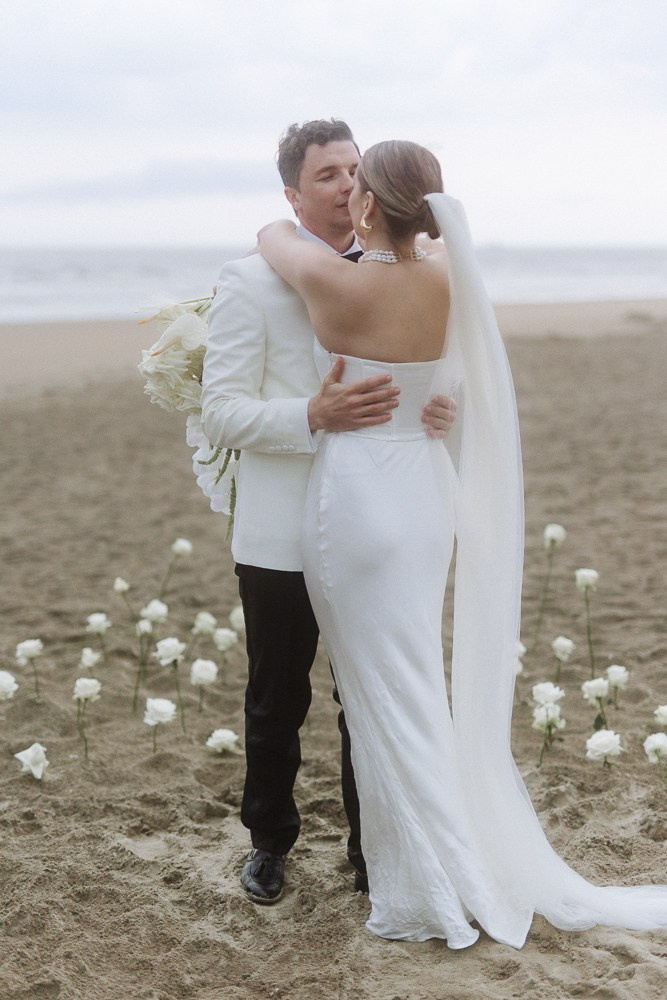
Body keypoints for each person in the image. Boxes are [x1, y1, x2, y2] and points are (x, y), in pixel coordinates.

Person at [257, 139, 667, 946]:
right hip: (423, 495)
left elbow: (273, 232)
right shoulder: (453, 277)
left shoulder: (335, 280)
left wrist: (334, 217)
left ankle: (435, 877)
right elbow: (460, 380)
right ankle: (420, 862)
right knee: (406, 680)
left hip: (356, 500)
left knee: (384, 692)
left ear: (368, 204)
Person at [200, 121, 456, 905]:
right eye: (325, 176)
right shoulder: (249, 283)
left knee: (366, 697)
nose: (345, 185)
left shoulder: (411, 271)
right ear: (292, 193)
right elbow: (222, 414)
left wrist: (440, 410)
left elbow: (441, 380)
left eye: (353, 170)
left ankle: (369, 849)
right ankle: (269, 842)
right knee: (277, 696)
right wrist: (310, 414)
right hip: (280, 532)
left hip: (374, 523)